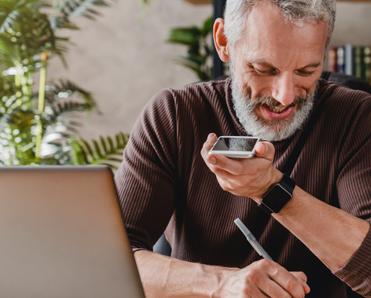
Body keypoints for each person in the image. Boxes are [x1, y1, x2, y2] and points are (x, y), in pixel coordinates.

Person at [114, 0, 371, 297]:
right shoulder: (174, 116)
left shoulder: (356, 119)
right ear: (224, 42)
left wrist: (272, 190)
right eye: (264, 69)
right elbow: (109, 263)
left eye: (305, 71)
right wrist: (223, 284)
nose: (285, 96)